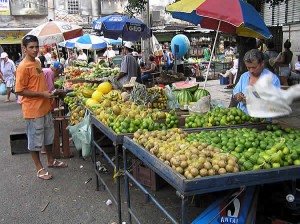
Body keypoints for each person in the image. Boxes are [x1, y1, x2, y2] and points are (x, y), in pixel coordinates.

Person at [15, 35, 67, 180]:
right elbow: (19, 90)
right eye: (31, 47)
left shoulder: (37, 62)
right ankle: (39, 168)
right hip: (33, 110)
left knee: (48, 137)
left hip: (45, 107)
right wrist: (42, 94)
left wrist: (52, 93)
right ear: (24, 49)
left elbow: (39, 85)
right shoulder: (23, 67)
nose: (35, 50)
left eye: (36, 47)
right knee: (35, 140)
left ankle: (50, 160)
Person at [233, 49, 280, 115]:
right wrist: (237, 96)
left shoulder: (273, 79)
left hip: (261, 119)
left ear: (262, 63)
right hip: (243, 118)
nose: (251, 71)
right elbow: (235, 93)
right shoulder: (244, 77)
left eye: (254, 67)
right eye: (248, 68)